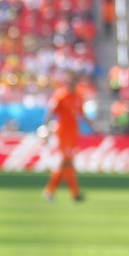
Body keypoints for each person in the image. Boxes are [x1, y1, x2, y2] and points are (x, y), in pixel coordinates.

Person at [43, 73, 92, 202]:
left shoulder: (78, 96)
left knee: (67, 163)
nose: (73, 85)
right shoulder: (60, 95)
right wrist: (47, 128)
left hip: (73, 133)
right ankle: (71, 193)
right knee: (67, 162)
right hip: (63, 133)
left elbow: (81, 113)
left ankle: (52, 191)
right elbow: (50, 112)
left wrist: (92, 124)